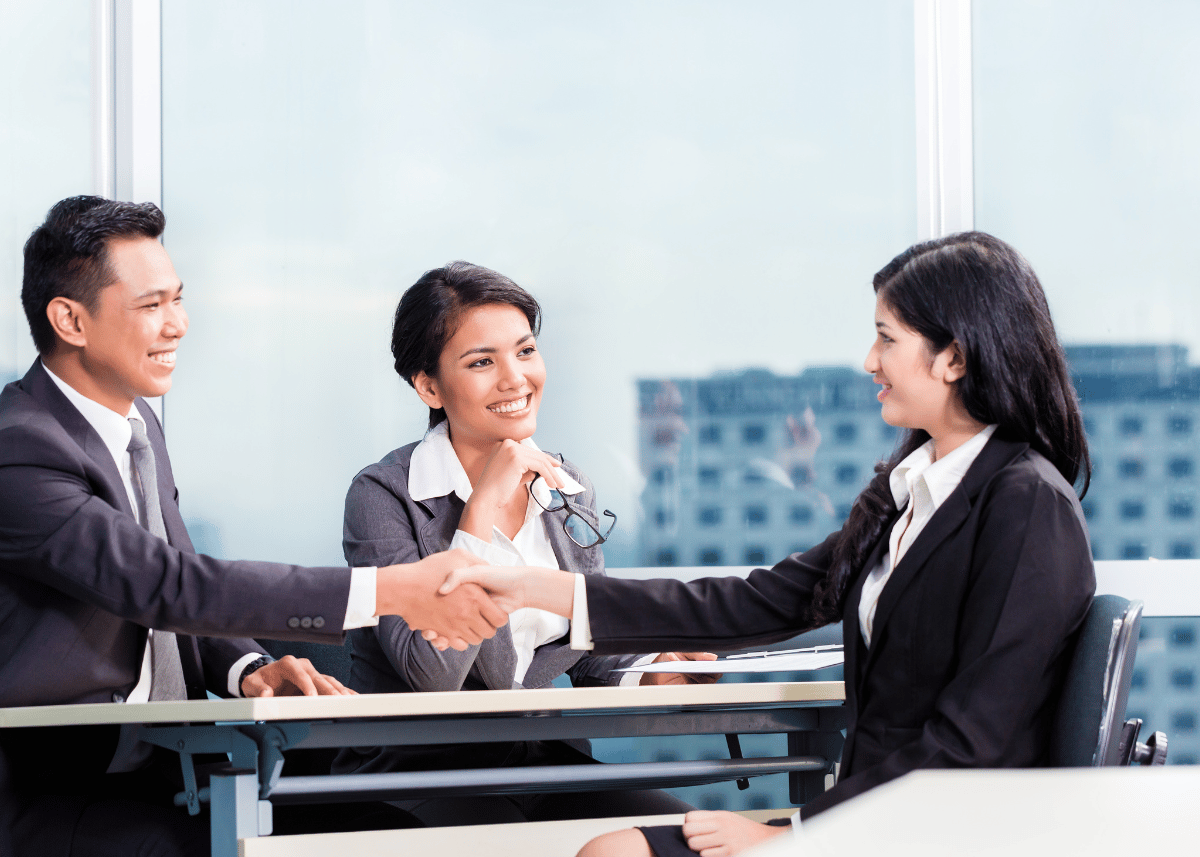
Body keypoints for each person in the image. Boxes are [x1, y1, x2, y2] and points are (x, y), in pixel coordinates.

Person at [441, 232, 1097, 856]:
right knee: (613, 848)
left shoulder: (1025, 505)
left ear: (953, 358)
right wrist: (541, 590)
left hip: (934, 836)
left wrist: (796, 834)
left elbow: (972, 743)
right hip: (870, 819)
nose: (870, 361)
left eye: (886, 338)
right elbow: (750, 603)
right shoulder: (913, 494)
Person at [0, 197, 507, 857]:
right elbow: (167, 585)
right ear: (70, 320)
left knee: (392, 837)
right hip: (62, 791)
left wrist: (247, 670)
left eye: (178, 299)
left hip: (171, 769)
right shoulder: (21, 448)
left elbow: (177, 590)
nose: (178, 325)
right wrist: (390, 590)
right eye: (152, 305)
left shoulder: (133, 425)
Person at [332, 261, 715, 826]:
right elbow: (431, 675)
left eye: (526, 351)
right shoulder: (384, 496)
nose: (515, 378)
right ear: (428, 386)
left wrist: (647, 670)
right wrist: (481, 512)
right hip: (415, 772)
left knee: (680, 838)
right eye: (481, 362)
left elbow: (584, 645)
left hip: (542, 765)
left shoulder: (565, 485)